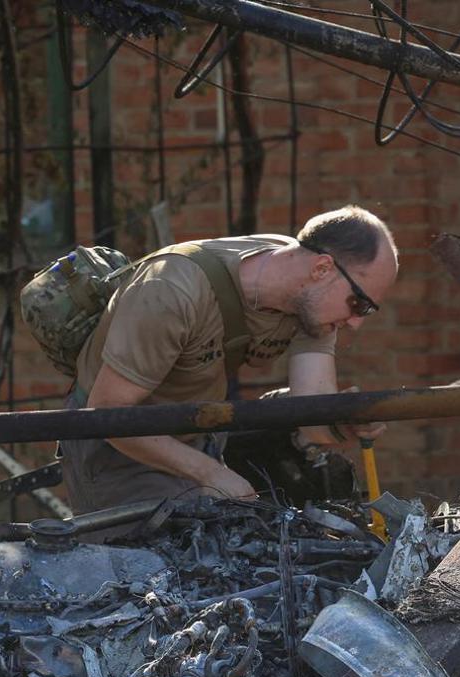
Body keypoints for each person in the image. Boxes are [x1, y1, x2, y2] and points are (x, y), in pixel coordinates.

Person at [61, 205, 399, 513]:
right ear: (322, 268)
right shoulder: (172, 288)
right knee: (158, 571)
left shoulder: (310, 301)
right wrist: (210, 473)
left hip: (194, 434)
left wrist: (344, 419)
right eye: (359, 304)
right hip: (116, 449)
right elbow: (107, 413)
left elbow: (312, 413)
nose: (356, 323)